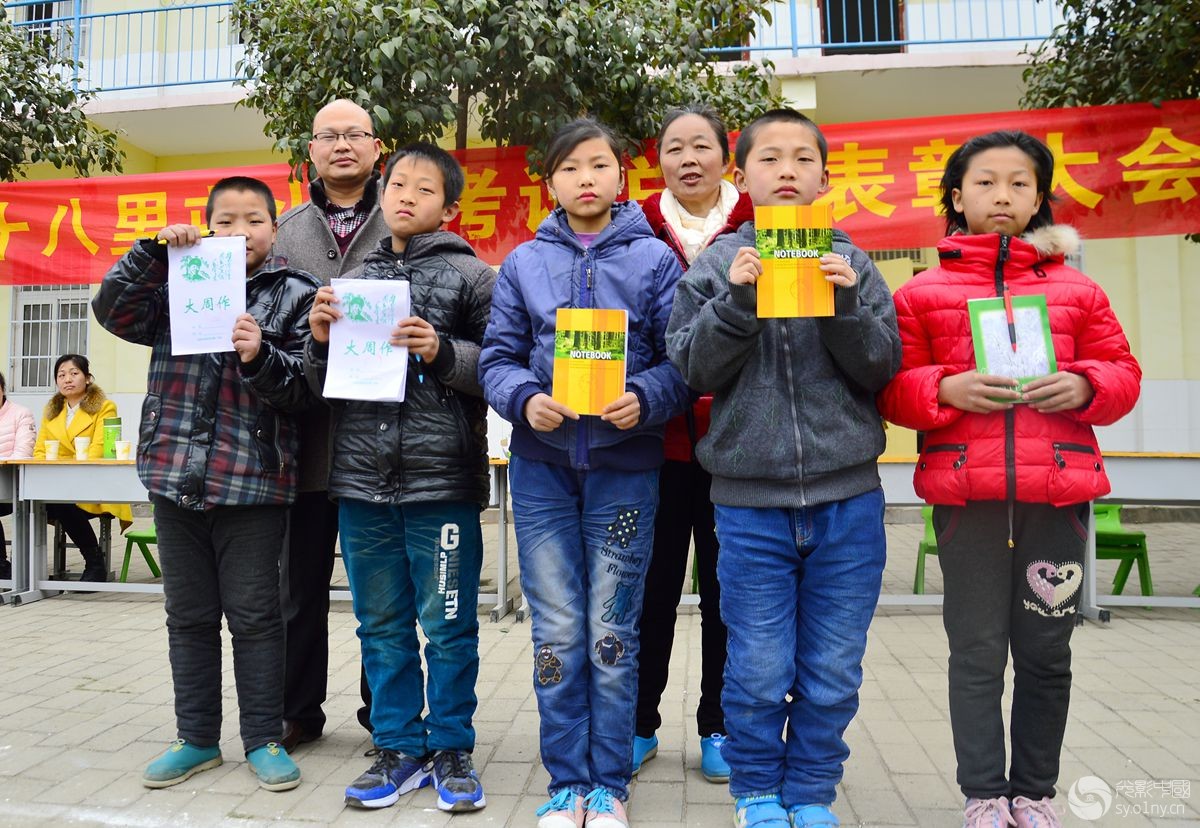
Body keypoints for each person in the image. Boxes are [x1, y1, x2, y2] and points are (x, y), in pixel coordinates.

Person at [876, 131, 1141, 828]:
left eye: (1020, 184)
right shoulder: (922, 293)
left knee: (1048, 651)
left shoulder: (1078, 289)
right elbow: (894, 389)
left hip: (1059, 496)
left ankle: (1035, 793)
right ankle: (984, 794)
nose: (1003, 195)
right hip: (969, 499)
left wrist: (1085, 385)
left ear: (1038, 198)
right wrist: (946, 387)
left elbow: (1124, 376)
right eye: (986, 183)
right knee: (977, 651)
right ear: (957, 197)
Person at [666, 108, 901, 828]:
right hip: (748, 503)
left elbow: (881, 367)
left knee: (831, 669)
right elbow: (691, 369)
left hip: (848, 499)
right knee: (760, 665)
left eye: (804, 159)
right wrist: (738, 301)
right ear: (742, 178)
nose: (788, 170)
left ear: (826, 177)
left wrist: (845, 307)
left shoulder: (851, 261)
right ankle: (758, 793)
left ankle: (811, 792)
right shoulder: (716, 265)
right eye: (770, 159)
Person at [480, 118, 691, 828]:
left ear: (622, 177)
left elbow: (682, 361)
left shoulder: (658, 263)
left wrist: (649, 398)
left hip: (626, 471)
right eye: (570, 168)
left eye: (599, 165)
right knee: (557, 630)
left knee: (611, 630)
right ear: (551, 184)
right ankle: (566, 782)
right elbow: (496, 359)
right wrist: (525, 399)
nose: (586, 179)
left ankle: (610, 784)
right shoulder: (522, 265)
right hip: (542, 474)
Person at [92, 175, 319, 792]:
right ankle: (196, 738)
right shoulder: (174, 278)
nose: (239, 232)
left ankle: (264, 738)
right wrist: (150, 253)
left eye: (254, 220)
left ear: (276, 230)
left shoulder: (297, 293)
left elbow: (307, 387)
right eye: (225, 220)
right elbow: (113, 311)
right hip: (173, 472)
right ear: (206, 224)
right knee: (187, 616)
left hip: (253, 482)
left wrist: (260, 355)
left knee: (255, 616)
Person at [305, 142, 494, 813]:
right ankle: (396, 748)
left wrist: (443, 351)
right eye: (397, 186)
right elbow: (315, 385)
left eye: (423, 188)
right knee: (379, 626)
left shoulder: (475, 278)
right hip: (360, 483)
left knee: (447, 623)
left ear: (450, 204)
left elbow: (498, 371)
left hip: (440, 483)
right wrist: (320, 337)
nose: (405, 195)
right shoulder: (355, 280)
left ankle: (451, 747)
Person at [633, 105, 753, 783]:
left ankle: (720, 725)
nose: (688, 159)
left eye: (701, 146)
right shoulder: (636, 230)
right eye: (674, 147)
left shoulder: (758, 232)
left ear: (725, 158)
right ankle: (637, 724)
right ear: (660, 162)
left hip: (737, 446)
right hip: (652, 446)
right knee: (648, 592)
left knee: (727, 596)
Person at [274, 98, 388, 748]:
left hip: (383, 445)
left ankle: (387, 715)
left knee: (383, 596)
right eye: (328, 135)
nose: (342, 144)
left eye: (354, 134)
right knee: (298, 593)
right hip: (304, 447)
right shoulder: (286, 234)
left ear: (376, 147)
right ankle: (297, 712)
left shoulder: (404, 223)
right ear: (311, 150)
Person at [33, 354, 134, 583]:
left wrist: (64, 467)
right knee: (32, 504)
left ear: (87, 378)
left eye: (74, 373)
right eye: (61, 375)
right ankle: (29, 569)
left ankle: (94, 562)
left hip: (96, 484)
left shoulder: (104, 407)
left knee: (64, 504)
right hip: (59, 484)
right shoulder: (51, 411)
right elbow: (40, 450)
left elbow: (100, 448)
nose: (67, 379)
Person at [0, 370, 36, 579]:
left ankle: (3, 567)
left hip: (14, 486)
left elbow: (23, 453)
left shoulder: (21, 414)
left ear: (3, 390)